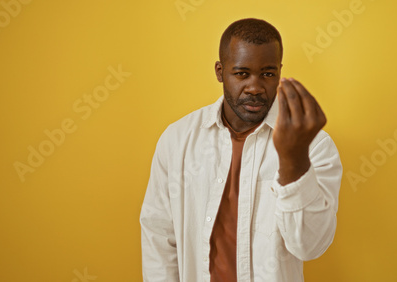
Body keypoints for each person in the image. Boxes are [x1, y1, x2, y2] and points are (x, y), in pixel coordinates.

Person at [140, 17, 342, 282]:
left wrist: (294, 161)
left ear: (280, 72)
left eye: (268, 74)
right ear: (220, 71)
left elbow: (310, 246)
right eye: (241, 73)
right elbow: (158, 235)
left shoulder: (315, 146)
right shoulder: (177, 139)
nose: (255, 87)